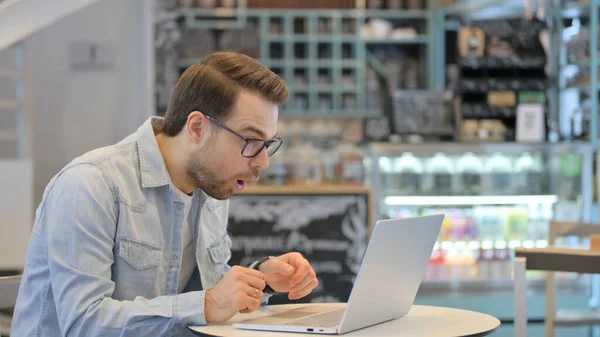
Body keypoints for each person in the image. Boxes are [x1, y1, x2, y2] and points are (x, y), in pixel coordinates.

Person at [11, 52, 318, 336]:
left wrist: (260, 281)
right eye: (251, 140)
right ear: (197, 128)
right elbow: (83, 323)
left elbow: (208, 290)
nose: (263, 162)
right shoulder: (90, 185)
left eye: (268, 144)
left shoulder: (211, 187)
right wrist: (206, 305)